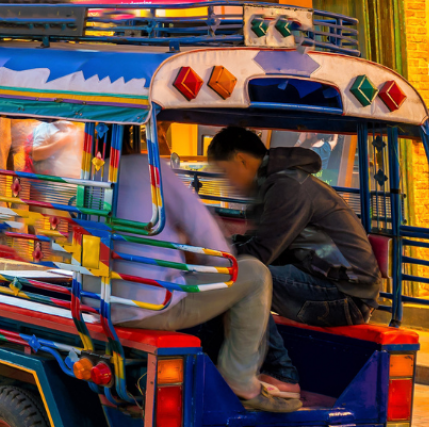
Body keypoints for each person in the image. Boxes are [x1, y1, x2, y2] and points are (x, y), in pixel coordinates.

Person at [99, 126, 298, 413]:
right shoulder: (153, 171)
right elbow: (208, 238)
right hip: (155, 307)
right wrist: (217, 265)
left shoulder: (88, 178)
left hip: (103, 304)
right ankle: (241, 377)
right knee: (254, 274)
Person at [209, 126, 381, 397]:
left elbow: (262, 252)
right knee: (242, 273)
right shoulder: (275, 183)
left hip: (345, 296)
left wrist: (215, 256)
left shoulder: (287, 186)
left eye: (226, 172)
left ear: (241, 160)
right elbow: (263, 242)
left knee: (247, 280)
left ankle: (280, 372)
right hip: (330, 284)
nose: (227, 182)